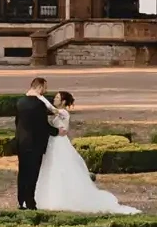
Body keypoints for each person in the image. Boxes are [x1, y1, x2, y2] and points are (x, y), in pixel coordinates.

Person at [33, 90, 139, 214]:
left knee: (60, 167)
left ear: (63, 101)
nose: (54, 99)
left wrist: (40, 97)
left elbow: (52, 109)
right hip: (54, 142)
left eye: (57, 98)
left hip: (60, 143)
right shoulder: (60, 114)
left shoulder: (63, 112)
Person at [15, 77, 59, 210]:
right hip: (35, 143)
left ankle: (21, 200)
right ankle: (30, 202)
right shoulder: (38, 104)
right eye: (45, 88)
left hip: (22, 141)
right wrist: (57, 131)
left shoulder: (20, 102)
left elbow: (17, 122)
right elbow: (43, 125)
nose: (45, 91)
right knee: (33, 173)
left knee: (23, 171)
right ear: (39, 87)